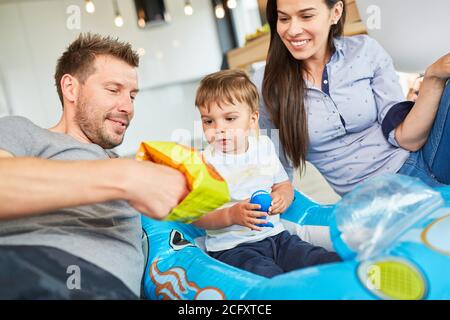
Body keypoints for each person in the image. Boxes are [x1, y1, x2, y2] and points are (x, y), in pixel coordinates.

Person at [0, 33, 188, 299]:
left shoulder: (129, 169)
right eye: (113, 90)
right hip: (18, 265)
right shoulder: (21, 131)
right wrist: (125, 177)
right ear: (71, 88)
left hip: (99, 286)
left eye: (132, 96)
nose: (128, 107)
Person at [252, 0, 450, 196]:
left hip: (424, 161)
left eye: (306, 16)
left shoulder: (364, 50)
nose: (293, 30)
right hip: (369, 198)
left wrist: (433, 76)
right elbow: (274, 161)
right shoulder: (267, 83)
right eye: (284, 18)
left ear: (335, 12)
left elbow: (406, 138)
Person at [192, 69, 340, 278]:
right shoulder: (204, 163)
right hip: (234, 248)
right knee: (269, 278)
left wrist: (282, 198)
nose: (218, 128)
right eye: (208, 121)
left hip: (277, 237)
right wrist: (230, 215)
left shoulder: (264, 146)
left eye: (229, 118)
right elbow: (195, 216)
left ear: (252, 120)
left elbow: (282, 185)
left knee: (320, 259)